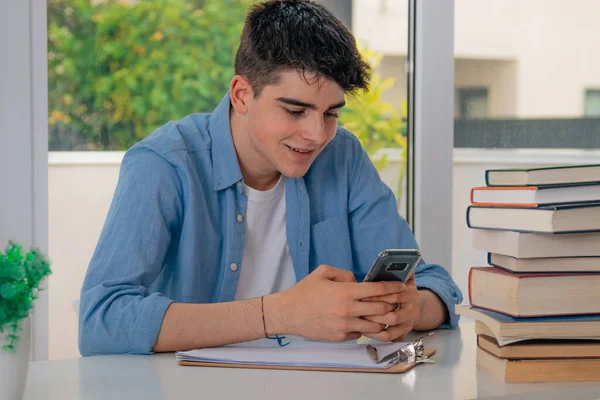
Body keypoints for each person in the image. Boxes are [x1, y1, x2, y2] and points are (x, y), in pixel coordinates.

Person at [78, 0, 462, 356]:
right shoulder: (163, 164)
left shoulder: (342, 156)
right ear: (242, 94)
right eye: (295, 110)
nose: (317, 134)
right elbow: (101, 320)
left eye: (331, 113)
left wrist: (412, 310)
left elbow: (433, 284)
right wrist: (277, 314)